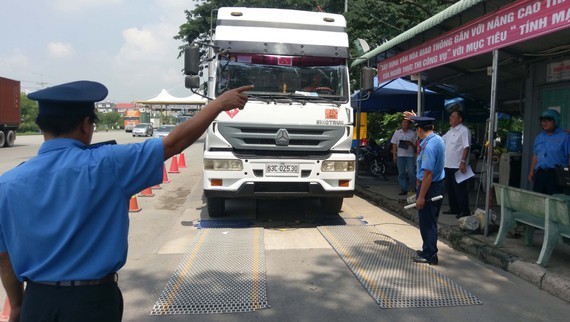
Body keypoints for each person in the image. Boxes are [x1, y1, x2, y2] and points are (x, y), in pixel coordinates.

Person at [0, 80, 253, 322]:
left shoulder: (7, 184)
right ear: (86, 125)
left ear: (42, 126)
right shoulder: (108, 163)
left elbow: (5, 257)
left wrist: (19, 304)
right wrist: (218, 104)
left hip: (37, 302)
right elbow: (175, 142)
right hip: (92, 301)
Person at [408, 116, 445, 265]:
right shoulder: (438, 139)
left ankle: (430, 255)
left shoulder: (429, 147)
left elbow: (427, 175)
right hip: (438, 184)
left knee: (427, 222)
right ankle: (427, 249)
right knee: (431, 220)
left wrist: (421, 196)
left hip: (429, 187)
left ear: (419, 130)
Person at [527, 109, 570, 194]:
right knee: (538, 200)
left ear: (555, 121)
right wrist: (531, 171)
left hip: (556, 174)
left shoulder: (565, 136)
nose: (544, 123)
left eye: (548, 120)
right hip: (539, 173)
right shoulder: (539, 137)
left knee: (555, 202)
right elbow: (536, 155)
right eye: (542, 121)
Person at [442, 110, 471, 218]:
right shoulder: (450, 131)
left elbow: (466, 147)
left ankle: (464, 210)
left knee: (460, 189)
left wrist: (463, 162)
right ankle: (454, 208)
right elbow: (441, 141)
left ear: (460, 119)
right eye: (450, 116)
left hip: (458, 165)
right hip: (448, 164)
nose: (450, 118)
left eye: (453, 117)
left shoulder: (464, 131)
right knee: (450, 188)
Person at [390, 118, 417, 195]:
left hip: (410, 155)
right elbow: (394, 145)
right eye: (403, 122)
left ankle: (413, 188)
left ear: (409, 124)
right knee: (401, 173)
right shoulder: (397, 133)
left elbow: (416, 145)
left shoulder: (412, 133)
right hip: (400, 155)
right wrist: (394, 155)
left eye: (406, 123)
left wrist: (410, 143)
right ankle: (403, 188)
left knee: (411, 172)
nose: (404, 124)